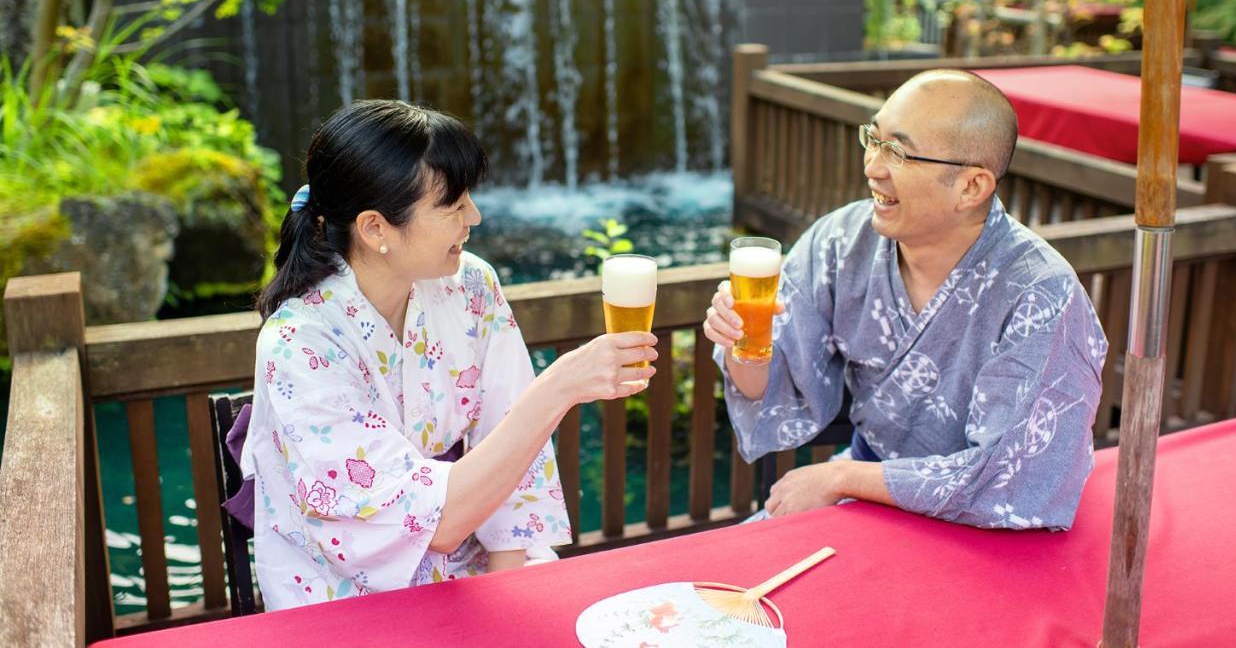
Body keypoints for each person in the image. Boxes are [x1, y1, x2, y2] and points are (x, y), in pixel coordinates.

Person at [245, 100, 657, 609]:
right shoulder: (299, 343)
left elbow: (508, 440)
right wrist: (559, 387)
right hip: (340, 593)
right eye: (454, 205)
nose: (475, 217)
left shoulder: (471, 286)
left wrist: (503, 598)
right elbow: (434, 525)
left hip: (470, 574)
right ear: (376, 229)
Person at [703, 69, 1106, 530]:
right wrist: (741, 342)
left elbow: (1013, 478)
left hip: (986, 528)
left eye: (897, 151)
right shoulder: (841, 242)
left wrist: (842, 476)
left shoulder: (1040, 293)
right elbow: (769, 388)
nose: (872, 166)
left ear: (971, 186)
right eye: (872, 140)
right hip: (869, 495)